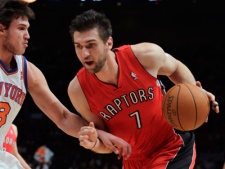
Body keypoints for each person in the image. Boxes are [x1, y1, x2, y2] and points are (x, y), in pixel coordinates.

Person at [67, 9, 220, 169]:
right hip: (133, 162)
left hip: (171, 146)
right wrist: (93, 143)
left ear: (109, 43)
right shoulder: (78, 91)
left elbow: (175, 68)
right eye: (78, 46)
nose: (84, 53)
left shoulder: (145, 56)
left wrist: (195, 94)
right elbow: (106, 143)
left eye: (91, 45)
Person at [0, 1, 130, 168]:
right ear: (2, 28)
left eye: (28, 29)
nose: (27, 35)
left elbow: (63, 117)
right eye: (21, 28)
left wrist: (102, 134)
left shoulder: (28, 72)